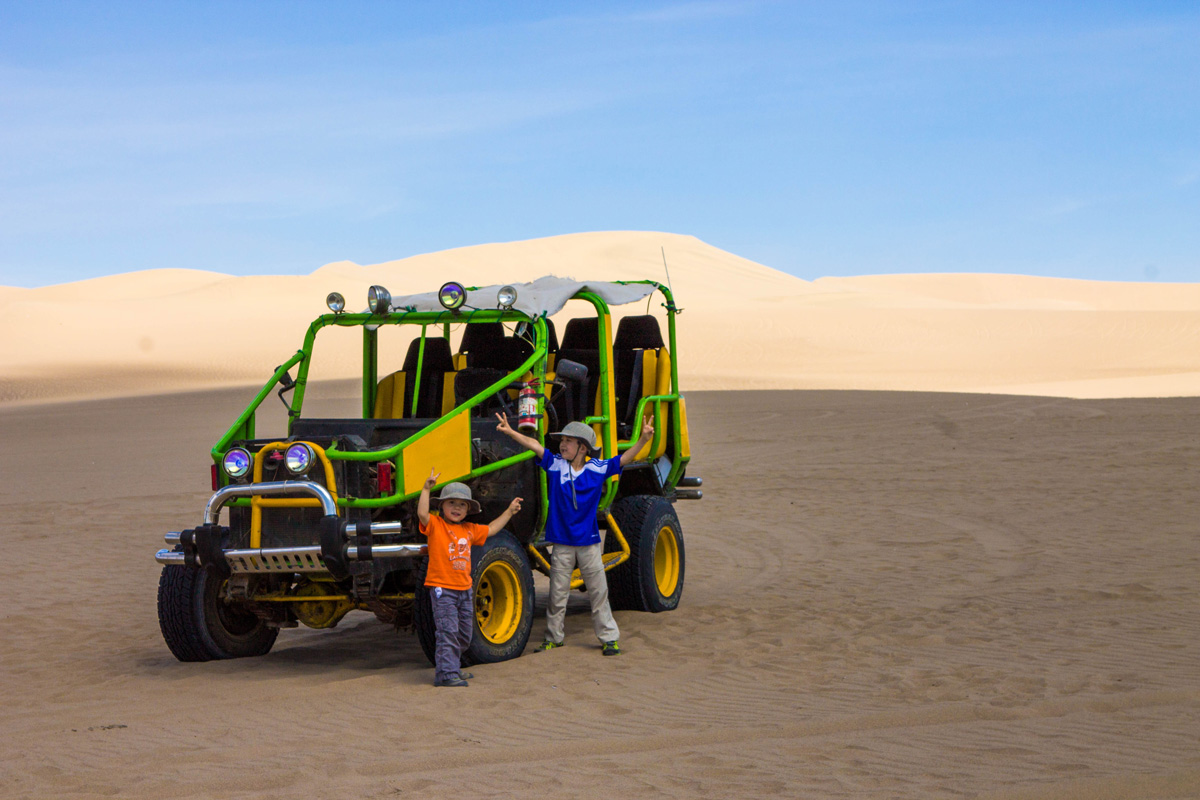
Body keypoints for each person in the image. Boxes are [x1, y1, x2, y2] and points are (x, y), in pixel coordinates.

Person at [495, 413, 654, 656]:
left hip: (588, 544)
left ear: (583, 447)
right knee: (557, 595)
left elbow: (622, 460)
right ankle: (553, 637)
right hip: (561, 544)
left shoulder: (596, 468)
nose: (562, 444)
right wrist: (509, 431)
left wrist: (643, 440)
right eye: (562, 440)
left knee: (598, 592)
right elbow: (535, 446)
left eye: (568, 440)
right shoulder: (556, 464)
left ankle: (609, 638)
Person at [418, 469, 522, 687]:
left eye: (462, 504)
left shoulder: (470, 529)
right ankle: (446, 674)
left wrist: (510, 512)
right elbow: (422, 514)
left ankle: (452, 666)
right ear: (442, 506)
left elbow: (492, 529)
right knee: (447, 631)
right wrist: (426, 489)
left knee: (465, 633)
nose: (457, 508)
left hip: (465, 589)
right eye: (452, 503)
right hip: (442, 589)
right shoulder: (436, 525)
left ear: (468, 509)